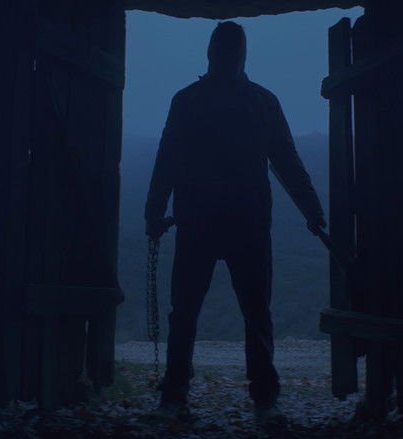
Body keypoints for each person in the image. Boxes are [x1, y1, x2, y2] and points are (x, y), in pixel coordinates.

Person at [144, 21, 326, 424]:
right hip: (242, 224)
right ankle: (263, 400)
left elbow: (167, 160)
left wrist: (154, 213)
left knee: (190, 313)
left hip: (206, 223)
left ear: (211, 52)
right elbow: (287, 161)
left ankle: (175, 397)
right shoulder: (260, 101)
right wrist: (312, 210)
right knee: (251, 314)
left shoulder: (189, 101)